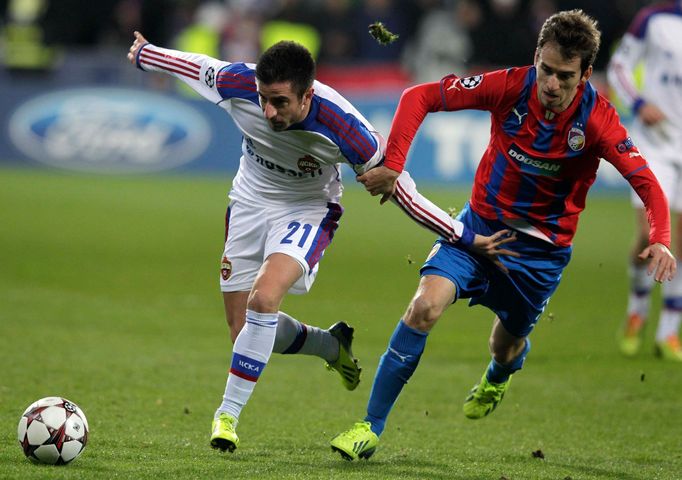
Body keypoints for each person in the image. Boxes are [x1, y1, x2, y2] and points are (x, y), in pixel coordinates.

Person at [127, 32, 515, 453]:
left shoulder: (346, 129)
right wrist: (147, 53)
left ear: (307, 95)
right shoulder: (237, 83)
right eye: (264, 100)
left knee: (264, 300)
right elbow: (192, 64)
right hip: (249, 201)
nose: (269, 111)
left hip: (308, 210)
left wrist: (463, 235)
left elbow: (402, 191)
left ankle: (227, 416)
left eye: (280, 102)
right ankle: (330, 345)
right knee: (243, 330)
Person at [330, 9, 677, 461]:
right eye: (546, 70)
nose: (551, 84)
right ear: (536, 56)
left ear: (587, 74)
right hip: (477, 228)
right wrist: (394, 164)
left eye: (565, 76)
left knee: (505, 343)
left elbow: (647, 182)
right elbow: (419, 96)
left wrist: (662, 236)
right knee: (424, 307)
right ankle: (369, 427)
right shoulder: (510, 86)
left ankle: (499, 373)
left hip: (539, 256)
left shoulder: (598, 122)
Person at [607, 1, 682, 362]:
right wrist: (637, 104)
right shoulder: (654, 18)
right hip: (656, 142)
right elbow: (620, 65)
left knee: (681, 240)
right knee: (649, 235)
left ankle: (669, 331)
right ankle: (637, 309)